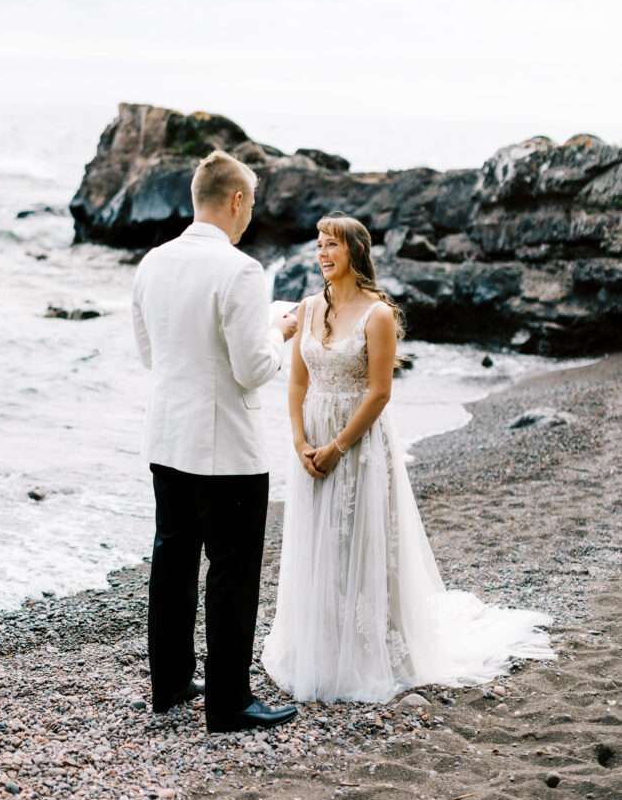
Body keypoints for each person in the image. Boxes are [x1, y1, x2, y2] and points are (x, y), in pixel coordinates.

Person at [261, 213, 555, 702]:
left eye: (332, 244)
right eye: (318, 244)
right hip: (311, 437)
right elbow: (296, 381)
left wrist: (336, 448)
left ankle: (368, 651)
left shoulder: (378, 315)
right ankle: (317, 646)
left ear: (355, 251)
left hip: (357, 443)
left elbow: (378, 394)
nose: (322, 253)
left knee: (359, 538)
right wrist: (299, 441)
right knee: (318, 541)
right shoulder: (309, 308)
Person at [132, 149, 298, 732]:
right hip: (227, 447)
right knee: (231, 570)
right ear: (235, 200)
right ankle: (229, 703)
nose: (250, 214)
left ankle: (171, 684)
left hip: (167, 437)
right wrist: (279, 332)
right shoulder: (240, 270)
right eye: (250, 203)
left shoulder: (152, 261)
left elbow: (149, 353)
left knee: (171, 560)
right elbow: (254, 369)